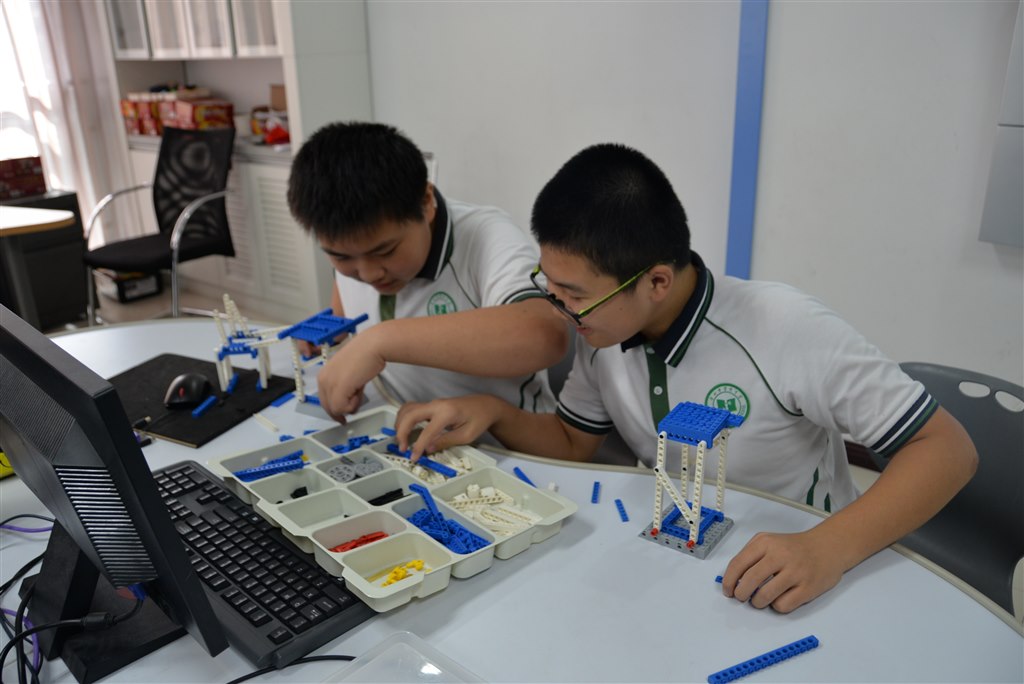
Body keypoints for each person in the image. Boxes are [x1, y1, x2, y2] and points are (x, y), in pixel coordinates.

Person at [393, 142, 978, 613]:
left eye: (574, 295)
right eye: (551, 288)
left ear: (656, 282)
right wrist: (492, 412)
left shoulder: (787, 329)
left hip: (800, 566)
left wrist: (827, 547)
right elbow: (573, 442)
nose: (560, 311)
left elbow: (948, 450)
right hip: (683, 561)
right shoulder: (604, 334)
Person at [286, 122, 568, 421]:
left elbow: (545, 335)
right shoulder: (357, 254)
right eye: (340, 257)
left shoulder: (487, 236)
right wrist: (332, 334)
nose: (368, 275)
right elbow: (346, 309)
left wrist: (378, 342)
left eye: (385, 251)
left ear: (426, 202)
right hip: (402, 428)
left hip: (496, 442)